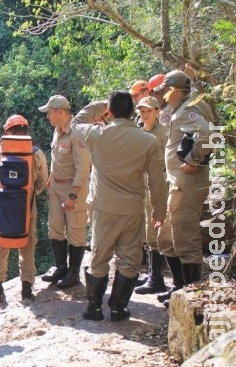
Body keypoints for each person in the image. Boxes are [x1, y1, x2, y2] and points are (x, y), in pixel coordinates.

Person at [72, 91, 167, 321]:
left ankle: (94, 307)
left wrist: (99, 105)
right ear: (133, 112)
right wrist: (159, 210)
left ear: (110, 112)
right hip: (133, 209)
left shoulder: (97, 134)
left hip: (104, 208)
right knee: (129, 259)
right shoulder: (148, 141)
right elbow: (156, 180)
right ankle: (118, 307)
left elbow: (76, 123)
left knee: (99, 256)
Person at [154, 69, 215, 306]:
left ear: (177, 91)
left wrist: (193, 160)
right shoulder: (180, 108)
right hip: (176, 183)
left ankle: (191, 296)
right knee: (167, 236)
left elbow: (208, 135)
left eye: (165, 91)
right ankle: (179, 287)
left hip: (187, 184)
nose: (162, 95)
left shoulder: (188, 110)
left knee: (185, 237)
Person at [0, 115, 49, 302]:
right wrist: (30, 191)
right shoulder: (36, 153)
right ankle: (26, 290)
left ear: (8, 131)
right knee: (27, 245)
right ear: (26, 130)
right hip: (28, 204)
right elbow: (43, 182)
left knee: (0, 244)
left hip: (3, 207)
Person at [38, 95, 91, 289]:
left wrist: (73, 194)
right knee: (55, 227)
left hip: (73, 188)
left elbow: (83, 166)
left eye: (50, 113)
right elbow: (57, 159)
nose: (48, 116)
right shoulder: (57, 130)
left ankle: (74, 272)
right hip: (57, 186)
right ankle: (61, 267)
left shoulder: (77, 133)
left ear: (60, 111)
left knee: (76, 230)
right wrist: (51, 180)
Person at [133, 96, 170, 294]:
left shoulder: (163, 133)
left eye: (148, 110)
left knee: (156, 232)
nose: (144, 114)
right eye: (142, 110)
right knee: (146, 233)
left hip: (156, 186)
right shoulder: (138, 131)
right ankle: (151, 274)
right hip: (140, 186)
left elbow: (166, 163)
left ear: (157, 111)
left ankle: (157, 278)